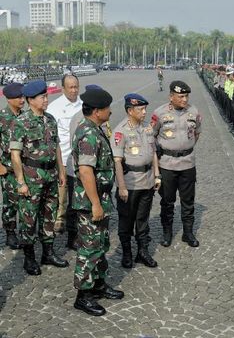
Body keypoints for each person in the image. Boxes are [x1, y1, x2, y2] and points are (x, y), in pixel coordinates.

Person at [71, 86, 123, 316]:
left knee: (101, 245)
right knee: (89, 248)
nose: (110, 112)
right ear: (96, 111)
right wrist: (95, 204)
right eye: (107, 108)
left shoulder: (95, 128)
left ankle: (98, 284)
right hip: (90, 201)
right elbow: (85, 171)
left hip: (100, 197)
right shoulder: (88, 134)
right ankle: (83, 295)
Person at [10, 80, 68, 275]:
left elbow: (56, 146)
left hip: (51, 174)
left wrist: (61, 171)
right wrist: (20, 182)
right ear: (30, 100)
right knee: (29, 218)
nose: (46, 99)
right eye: (42, 97)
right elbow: (15, 155)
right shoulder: (21, 122)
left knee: (49, 215)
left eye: (46, 96)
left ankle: (48, 253)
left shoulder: (50, 119)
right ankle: (29, 258)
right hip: (31, 178)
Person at [112, 93, 160, 269]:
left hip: (147, 182)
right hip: (130, 184)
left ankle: (142, 252)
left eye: (145, 108)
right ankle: (126, 253)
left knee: (143, 219)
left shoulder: (148, 128)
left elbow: (154, 153)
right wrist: (122, 187)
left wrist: (157, 175)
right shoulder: (120, 131)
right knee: (126, 220)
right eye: (140, 109)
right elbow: (117, 161)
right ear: (130, 110)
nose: (144, 112)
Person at [151, 80, 202, 248]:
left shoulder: (193, 112)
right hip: (167, 164)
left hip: (187, 163)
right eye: (180, 96)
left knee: (188, 201)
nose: (184, 100)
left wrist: (184, 147)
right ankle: (167, 232)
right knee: (167, 201)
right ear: (171, 97)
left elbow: (196, 134)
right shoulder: (159, 113)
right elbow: (151, 136)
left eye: (186, 96)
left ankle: (188, 232)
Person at [46, 74, 82, 239]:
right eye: (71, 87)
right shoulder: (54, 107)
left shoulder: (84, 104)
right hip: (62, 158)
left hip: (80, 159)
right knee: (61, 194)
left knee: (77, 195)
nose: (74, 90)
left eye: (76, 87)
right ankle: (58, 221)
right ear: (63, 88)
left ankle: (74, 227)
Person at [0, 83, 24, 249]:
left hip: (24, 167)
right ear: (9, 99)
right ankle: (10, 232)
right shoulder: (2, 117)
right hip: (7, 167)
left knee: (24, 201)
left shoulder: (25, 116)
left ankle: (25, 232)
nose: (22, 100)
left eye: (23, 97)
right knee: (10, 202)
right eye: (18, 97)